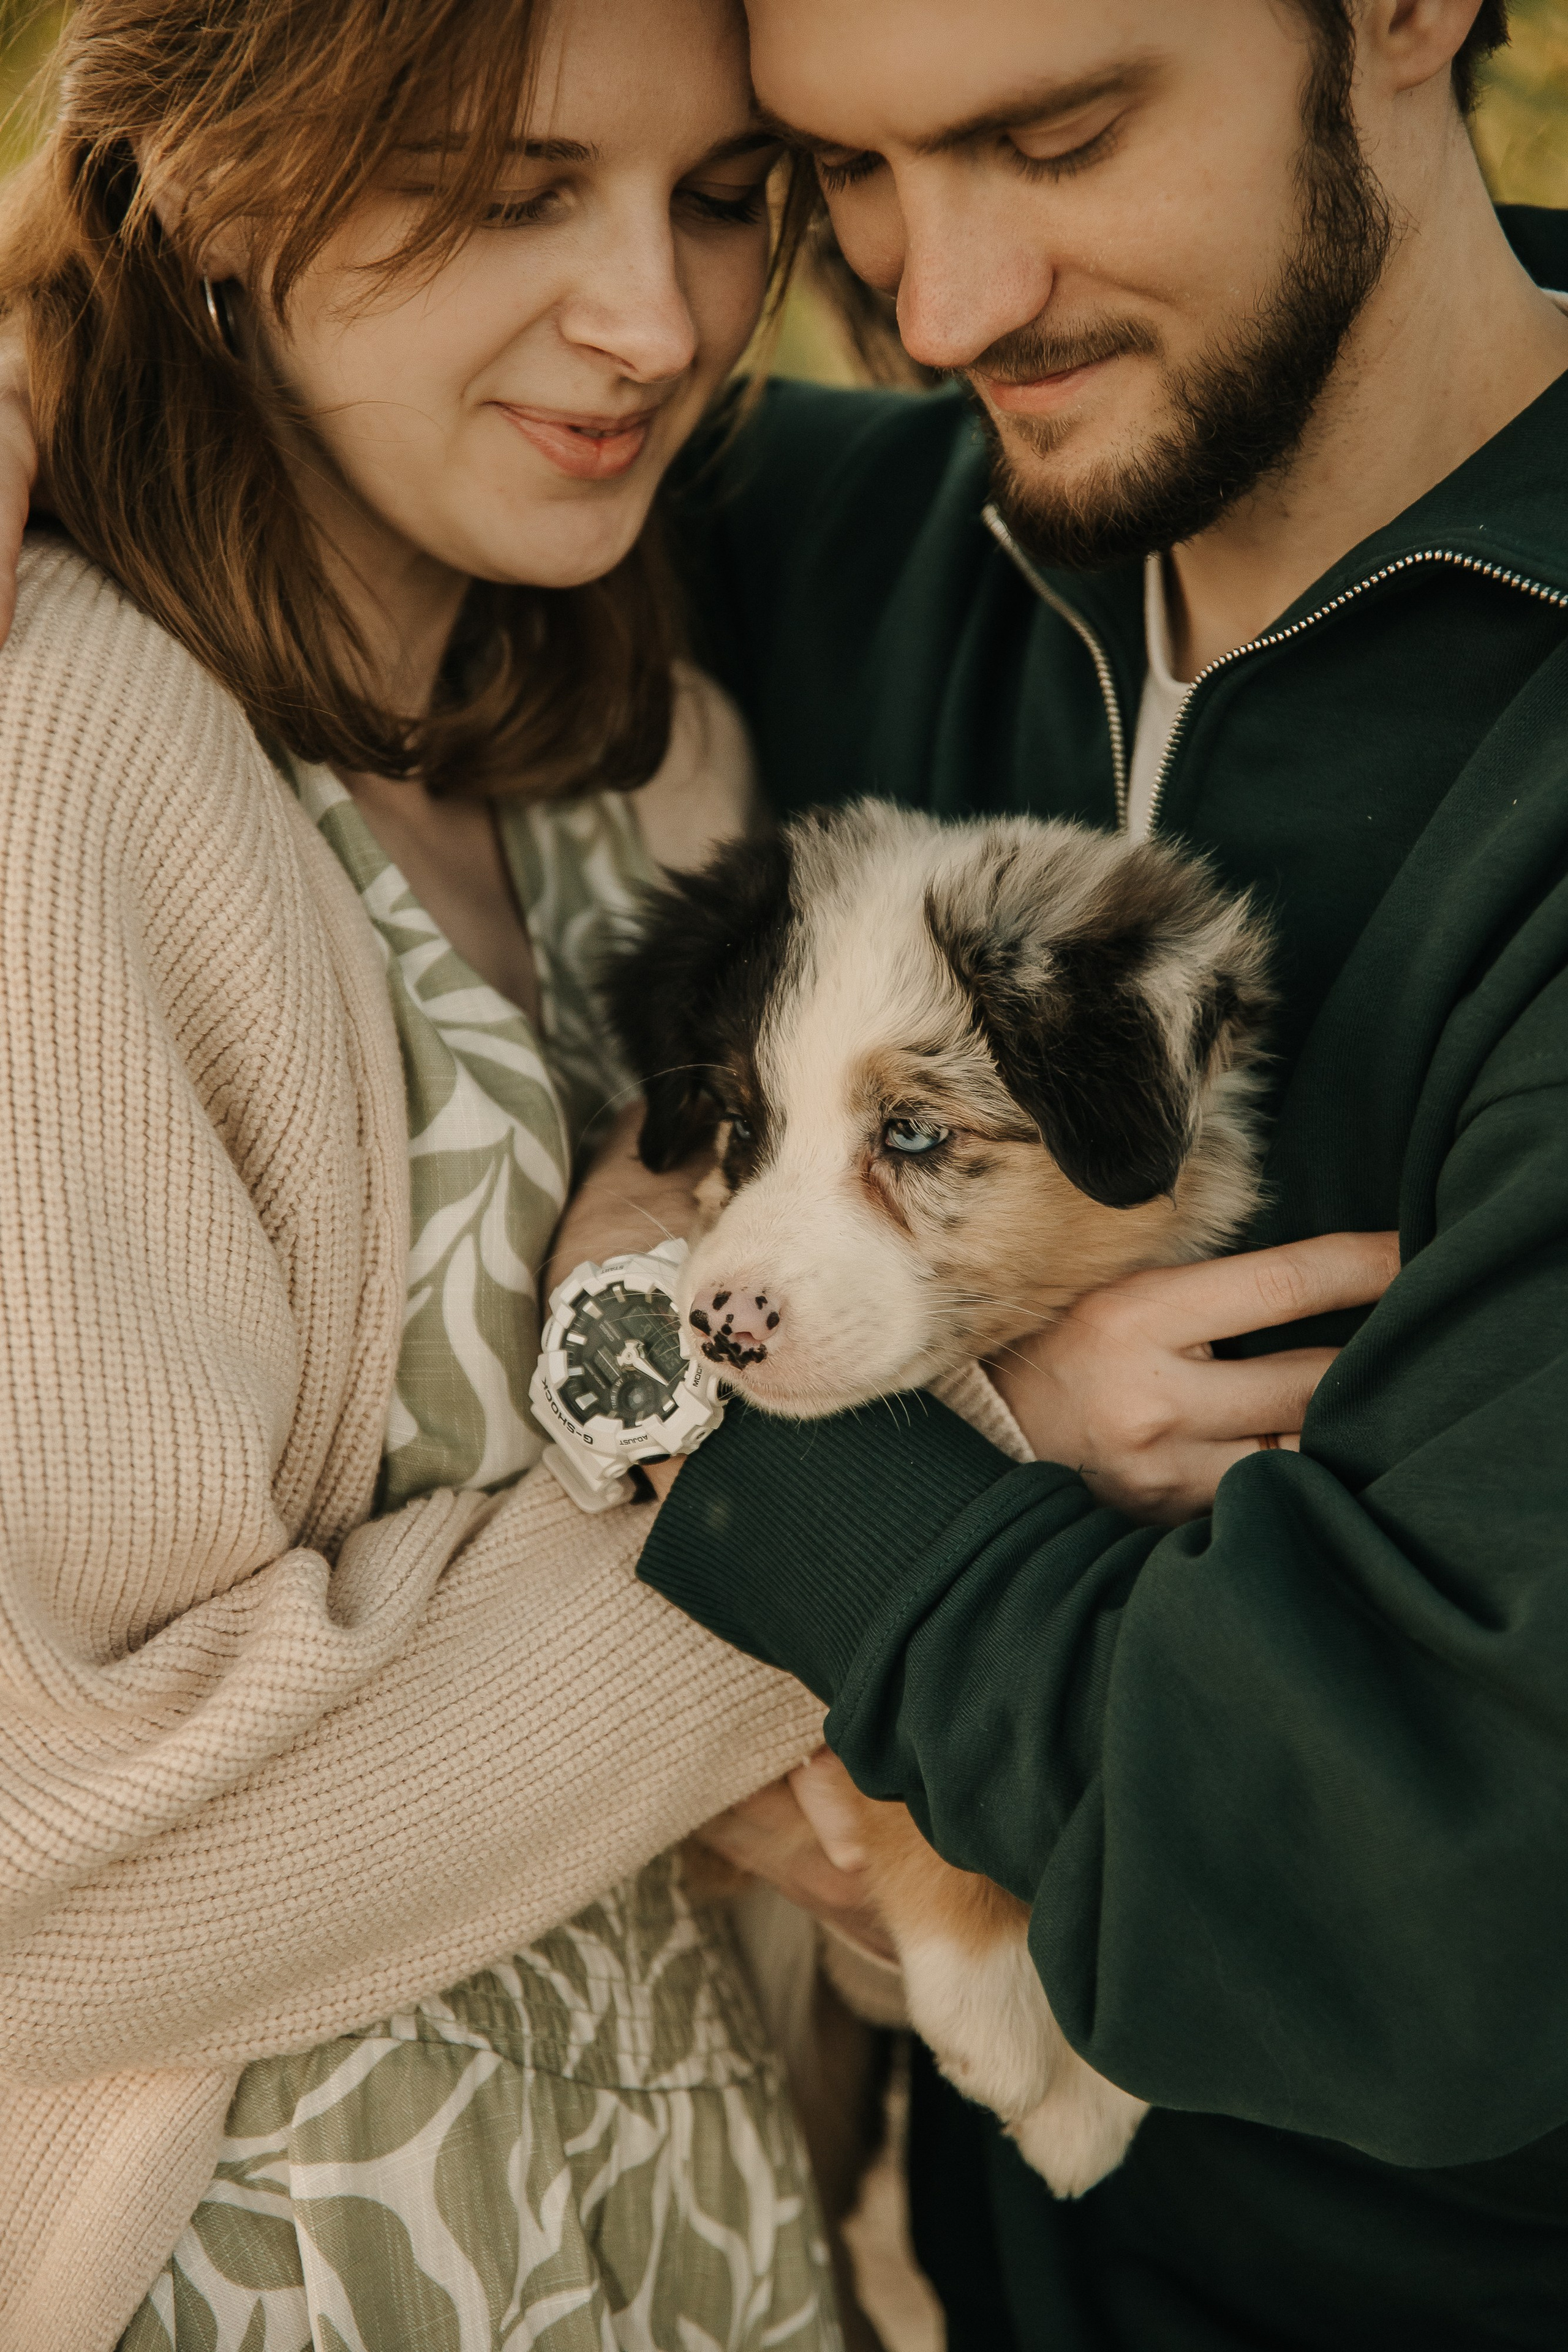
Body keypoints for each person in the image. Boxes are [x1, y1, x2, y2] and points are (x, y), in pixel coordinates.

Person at [591, 0, 1568, 2345]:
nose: (941, 310)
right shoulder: (881, 531)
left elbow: (1425, 1899)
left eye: (1058, 132)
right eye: (849, 171)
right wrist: (50, 327)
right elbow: (335, 391)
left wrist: (814, 1480)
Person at [0, 2, 853, 2347]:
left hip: (687, 2228)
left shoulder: (644, 754)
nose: (656, 322)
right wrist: (899, 1502)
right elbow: (54, 1873)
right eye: (505, 194)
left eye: (716, 195)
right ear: (224, 185)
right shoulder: (62, 765)